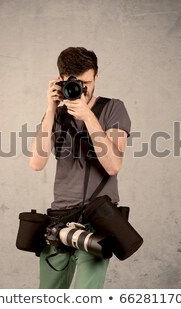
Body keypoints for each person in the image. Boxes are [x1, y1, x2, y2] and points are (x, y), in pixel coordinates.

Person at [29, 47, 131, 289]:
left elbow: (114, 165)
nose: (82, 89)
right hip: (59, 220)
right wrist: (51, 109)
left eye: (87, 82)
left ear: (96, 77)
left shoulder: (113, 108)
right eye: (76, 83)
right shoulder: (54, 116)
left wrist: (88, 117)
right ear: (61, 80)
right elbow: (36, 163)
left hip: (97, 220)